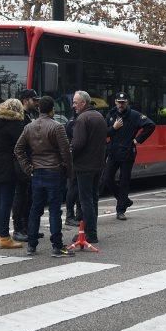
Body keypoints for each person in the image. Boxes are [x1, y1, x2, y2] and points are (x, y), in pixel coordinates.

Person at [14, 96, 74, 257]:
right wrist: (68, 171)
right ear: (52, 109)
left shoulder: (29, 127)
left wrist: (28, 168)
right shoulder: (57, 127)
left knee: (35, 210)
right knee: (55, 210)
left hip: (37, 172)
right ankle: (57, 246)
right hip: (54, 172)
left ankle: (32, 245)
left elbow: (18, 149)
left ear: (39, 109)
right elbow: (65, 152)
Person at [102, 92, 156, 220]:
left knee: (124, 181)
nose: (121, 104)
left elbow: (150, 125)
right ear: (115, 102)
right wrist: (114, 128)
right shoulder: (111, 115)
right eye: (119, 102)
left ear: (127, 103)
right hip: (113, 152)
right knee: (107, 179)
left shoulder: (134, 115)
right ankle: (124, 200)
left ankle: (120, 210)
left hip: (127, 153)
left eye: (123, 102)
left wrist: (138, 140)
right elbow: (105, 132)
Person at [69, 90, 108, 243]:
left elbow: (77, 144)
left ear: (83, 103)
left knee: (85, 201)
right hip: (98, 164)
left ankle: (89, 233)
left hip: (84, 166)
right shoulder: (99, 117)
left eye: (75, 102)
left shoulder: (82, 119)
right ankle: (91, 231)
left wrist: (69, 156)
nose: (73, 105)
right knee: (93, 199)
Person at [0, 98, 25, 249]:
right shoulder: (13, 124)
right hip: (6, 164)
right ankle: (5, 237)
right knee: (6, 201)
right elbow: (21, 141)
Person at [11, 89, 39, 242]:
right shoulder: (19, 117)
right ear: (25, 100)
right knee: (20, 195)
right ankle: (18, 229)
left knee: (28, 195)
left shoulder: (29, 115)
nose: (36, 103)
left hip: (28, 159)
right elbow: (20, 141)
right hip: (21, 161)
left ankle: (28, 227)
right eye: (34, 100)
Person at [64, 106, 81, 227]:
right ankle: (70, 216)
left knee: (78, 187)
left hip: (77, 159)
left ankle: (78, 214)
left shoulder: (73, 122)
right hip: (75, 159)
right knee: (73, 187)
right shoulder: (73, 124)